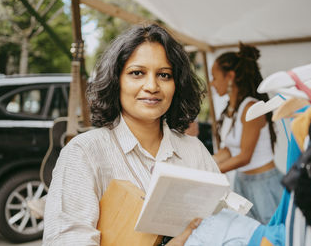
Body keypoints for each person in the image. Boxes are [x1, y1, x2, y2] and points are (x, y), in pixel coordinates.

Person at [42, 24, 220, 245]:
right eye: (137, 73)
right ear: (116, 80)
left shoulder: (194, 151)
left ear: (177, 84)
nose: (152, 86)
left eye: (164, 75)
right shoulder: (85, 152)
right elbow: (67, 239)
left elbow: (221, 225)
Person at [211, 43, 283, 224]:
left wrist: (209, 173)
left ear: (230, 77)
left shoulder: (251, 108)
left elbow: (244, 156)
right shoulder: (233, 109)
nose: (212, 83)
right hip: (243, 182)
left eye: (214, 77)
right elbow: (229, 151)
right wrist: (203, 165)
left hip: (264, 185)